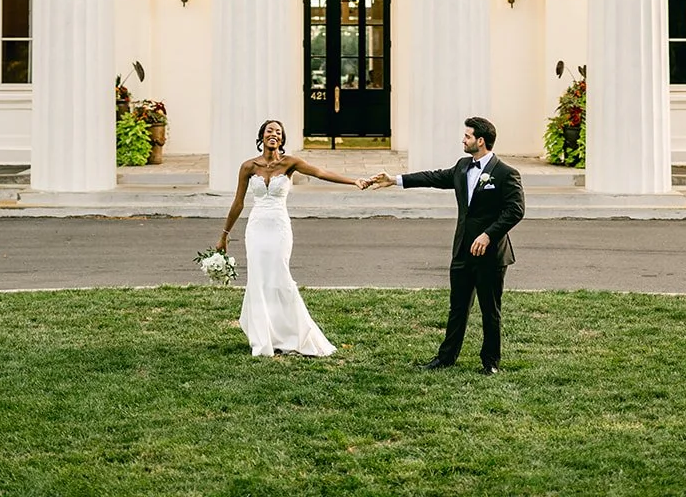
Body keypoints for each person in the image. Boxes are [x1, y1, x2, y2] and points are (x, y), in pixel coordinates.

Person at [372, 116, 524, 374]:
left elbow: (515, 210)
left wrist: (488, 235)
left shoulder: (506, 173)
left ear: (480, 140)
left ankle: (490, 362)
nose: (462, 140)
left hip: (491, 255)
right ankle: (446, 358)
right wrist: (395, 180)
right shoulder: (463, 166)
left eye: (467, 136)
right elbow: (433, 177)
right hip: (463, 251)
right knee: (457, 308)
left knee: (490, 310)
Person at [216, 118, 370, 358]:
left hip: (279, 227)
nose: (273, 134)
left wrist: (354, 181)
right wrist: (224, 235)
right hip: (256, 228)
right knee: (258, 279)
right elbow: (238, 202)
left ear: (282, 139)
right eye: (269, 131)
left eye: (278, 131)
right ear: (262, 136)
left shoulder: (290, 163)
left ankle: (293, 334)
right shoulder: (248, 167)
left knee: (280, 278)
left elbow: (321, 173)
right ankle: (263, 337)